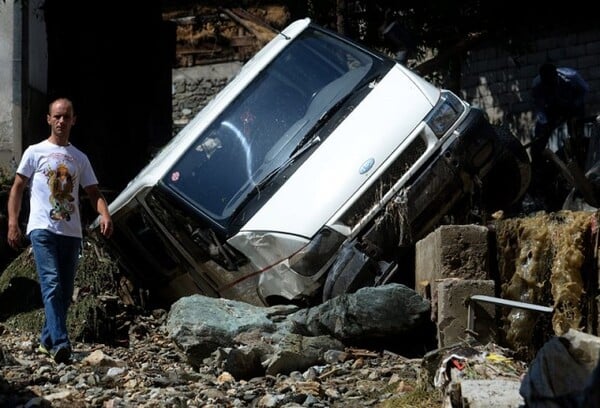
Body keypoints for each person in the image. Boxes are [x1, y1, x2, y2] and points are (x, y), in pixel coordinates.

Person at [6, 97, 113, 364]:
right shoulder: (34, 152)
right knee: (51, 285)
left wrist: (105, 213)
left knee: (65, 293)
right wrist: (12, 222)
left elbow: (92, 192)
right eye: (57, 116)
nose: (61, 121)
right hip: (42, 228)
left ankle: (46, 341)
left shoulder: (79, 158)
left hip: (71, 232)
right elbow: (17, 188)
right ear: (49, 119)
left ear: (73, 120)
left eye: (66, 116)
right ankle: (62, 344)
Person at [530, 62, 589, 167]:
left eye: (552, 83)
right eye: (547, 85)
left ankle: (580, 157)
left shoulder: (571, 76)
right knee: (540, 135)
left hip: (573, 104)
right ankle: (537, 164)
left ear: (556, 76)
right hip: (553, 107)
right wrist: (546, 124)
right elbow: (539, 109)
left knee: (576, 132)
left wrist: (574, 108)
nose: (550, 87)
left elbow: (585, 89)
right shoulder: (537, 85)